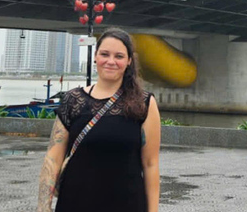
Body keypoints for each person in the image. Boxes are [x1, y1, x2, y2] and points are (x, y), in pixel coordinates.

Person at [37, 28, 161, 212]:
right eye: (105, 54)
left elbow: (151, 165)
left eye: (119, 56)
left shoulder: (144, 104)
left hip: (127, 204)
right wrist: (43, 207)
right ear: (95, 57)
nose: (111, 61)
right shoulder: (73, 101)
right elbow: (53, 158)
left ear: (129, 61)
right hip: (75, 203)